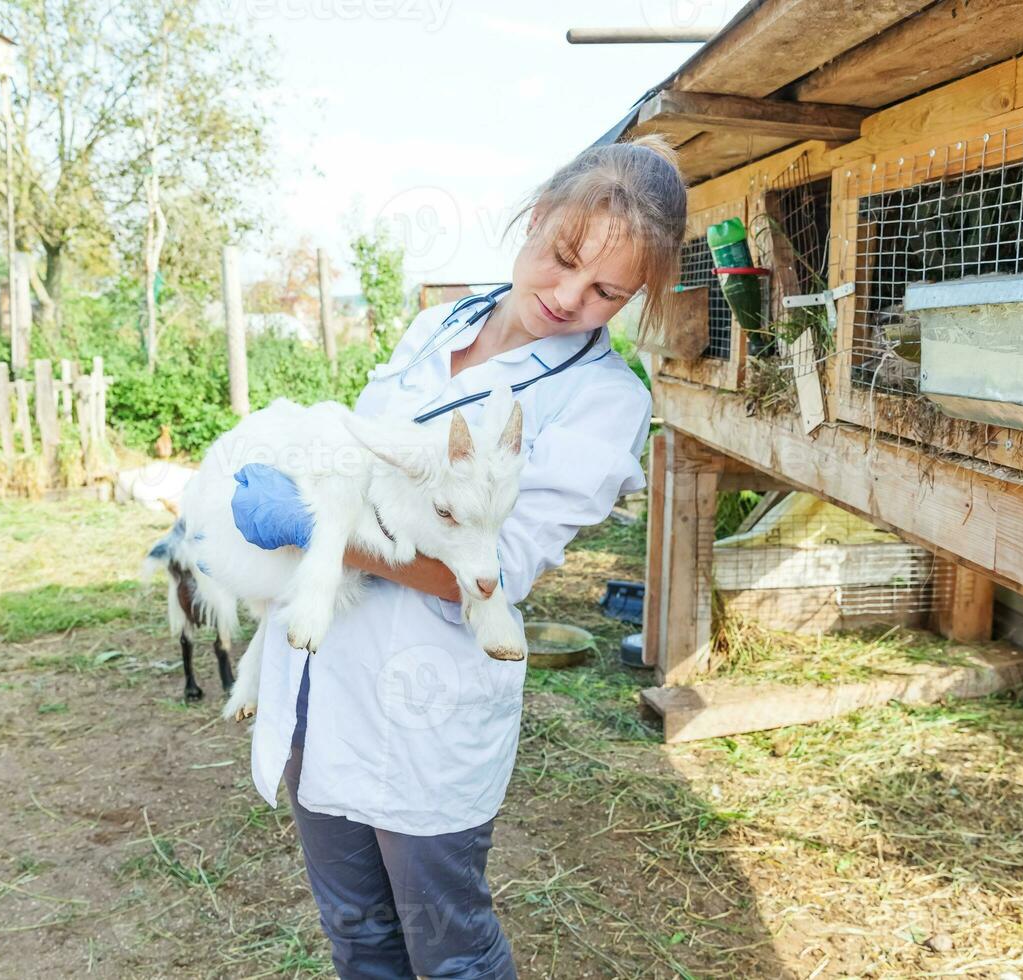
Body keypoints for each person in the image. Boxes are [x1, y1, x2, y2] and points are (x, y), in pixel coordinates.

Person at [229, 134, 687, 978]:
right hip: (324, 678)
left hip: (425, 703)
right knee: (358, 935)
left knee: (451, 950)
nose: (568, 297)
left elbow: (489, 573)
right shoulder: (438, 323)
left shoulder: (601, 400)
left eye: (606, 293)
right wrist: (308, 489)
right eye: (561, 259)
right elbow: (362, 462)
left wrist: (313, 526)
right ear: (539, 217)